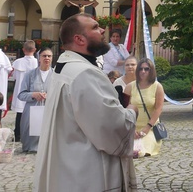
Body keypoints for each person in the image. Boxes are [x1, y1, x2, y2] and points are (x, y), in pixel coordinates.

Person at [34, 14, 139, 191]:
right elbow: (111, 126)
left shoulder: (64, 66)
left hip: (67, 166)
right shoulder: (84, 74)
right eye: (96, 27)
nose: (103, 30)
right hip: (88, 173)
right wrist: (131, 111)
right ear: (79, 39)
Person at [124, 58, 165, 157]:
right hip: (132, 127)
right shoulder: (129, 87)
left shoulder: (157, 87)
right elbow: (124, 109)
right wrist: (131, 130)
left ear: (151, 71)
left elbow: (158, 109)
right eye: (140, 69)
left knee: (143, 148)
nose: (143, 71)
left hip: (149, 127)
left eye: (146, 69)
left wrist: (147, 128)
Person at [18, 48, 54, 153]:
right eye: (44, 56)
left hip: (49, 108)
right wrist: (33, 95)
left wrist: (50, 95)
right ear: (39, 58)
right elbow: (21, 95)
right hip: (32, 109)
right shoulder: (30, 75)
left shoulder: (56, 75)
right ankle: (31, 147)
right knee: (31, 131)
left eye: (49, 56)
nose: (46, 58)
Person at [11, 40, 38, 142]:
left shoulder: (17, 62)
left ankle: (17, 134)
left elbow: (14, 77)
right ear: (34, 50)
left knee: (20, 114)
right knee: (33, 113)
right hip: (33, 89)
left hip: (20, 88)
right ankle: (31, 134)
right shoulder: (37, 62)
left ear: (23, 50)